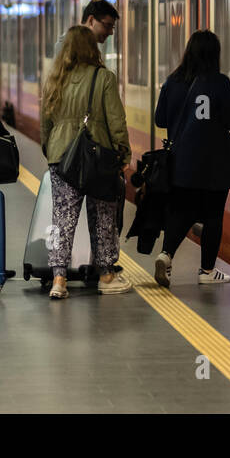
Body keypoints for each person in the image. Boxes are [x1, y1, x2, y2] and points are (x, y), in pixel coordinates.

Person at [40, 25, 132, 299]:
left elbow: (46, 123)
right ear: (93, 48)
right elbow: (116, 120)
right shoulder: (103, 77)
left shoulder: (55, 78)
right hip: (97, 156)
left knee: (62, 217)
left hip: (62, 157)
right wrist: (123, 154)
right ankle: (105, 275)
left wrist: (52, 150)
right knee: (103, 215)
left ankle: (59, 278)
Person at [152, 30, 230, 288]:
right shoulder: (219, 82)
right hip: (216, 161)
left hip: (182, 160)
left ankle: (166, 254)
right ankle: (207, 270)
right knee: (214, 214)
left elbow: (160, 120)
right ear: (215, 54)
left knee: (182, 211)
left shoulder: (172, 81)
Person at [52, 0, 118, 59]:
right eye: (107, 26)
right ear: (91, 21)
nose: (111, 32)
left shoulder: (89, 45)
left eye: (112, 27)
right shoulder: (67, 45)